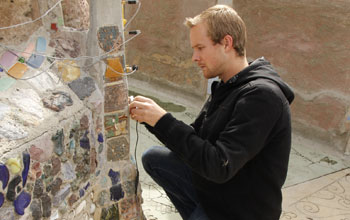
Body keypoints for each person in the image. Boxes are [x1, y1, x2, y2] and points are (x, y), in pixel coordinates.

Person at [129, 4, 294, 220]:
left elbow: (218, 165)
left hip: (242, 211)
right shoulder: (227, 85)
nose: (194, 57)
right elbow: (196, 138)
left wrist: (163, 120)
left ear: (226, 43)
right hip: (219, 192)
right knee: (154, 158)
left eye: (200, 48)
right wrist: (151, 118)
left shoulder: (262, 97)